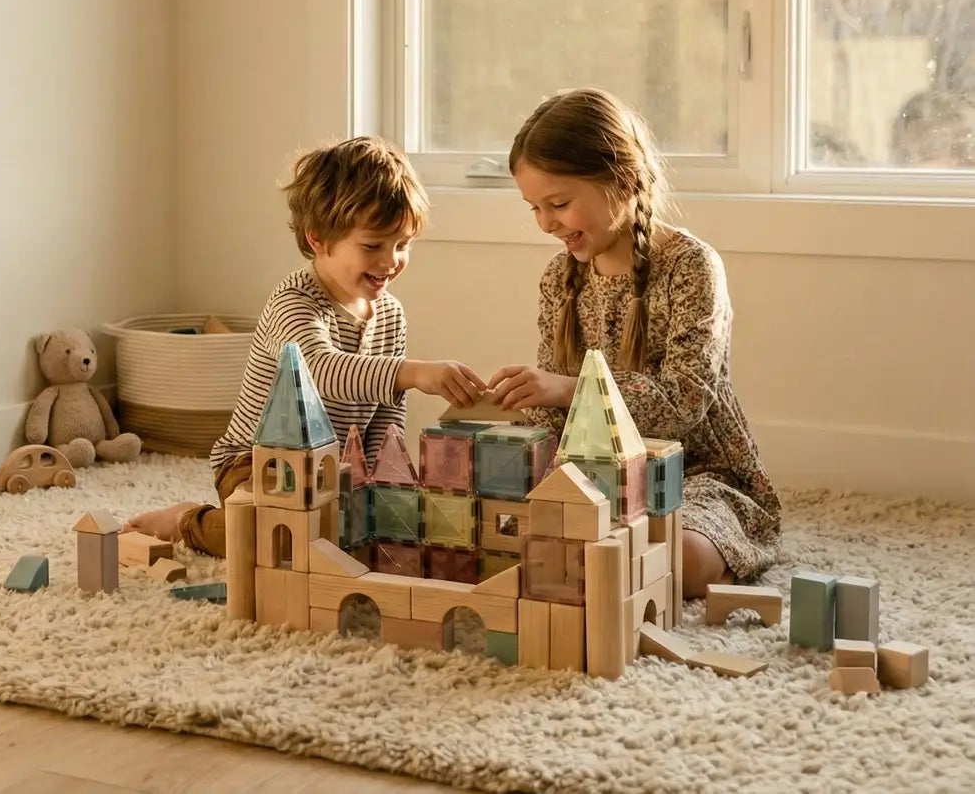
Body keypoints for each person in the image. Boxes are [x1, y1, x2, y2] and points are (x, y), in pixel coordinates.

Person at [487, 88, 781, 598]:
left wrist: (565, 389)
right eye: (534, 207)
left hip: (698, 473)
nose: (545, 223)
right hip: (595, 477)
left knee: (669, 556)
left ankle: (727, 557)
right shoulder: (561, 277)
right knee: (506, 536)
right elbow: (550, 416)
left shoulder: (691, 266)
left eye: (558, 204)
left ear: (622, 179)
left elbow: (683, 403)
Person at [124, 136, 483, 554]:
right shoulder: (294, 302)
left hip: (333, 469)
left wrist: (381, 474)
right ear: (318, 239)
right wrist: (416, 372)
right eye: (372, 246)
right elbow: (321, 371)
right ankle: (189, 521)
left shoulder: (390, 314)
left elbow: (388, 408)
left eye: (402, 245)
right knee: (278, 537)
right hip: (259, 463)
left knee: (376, 529)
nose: (390, 261)